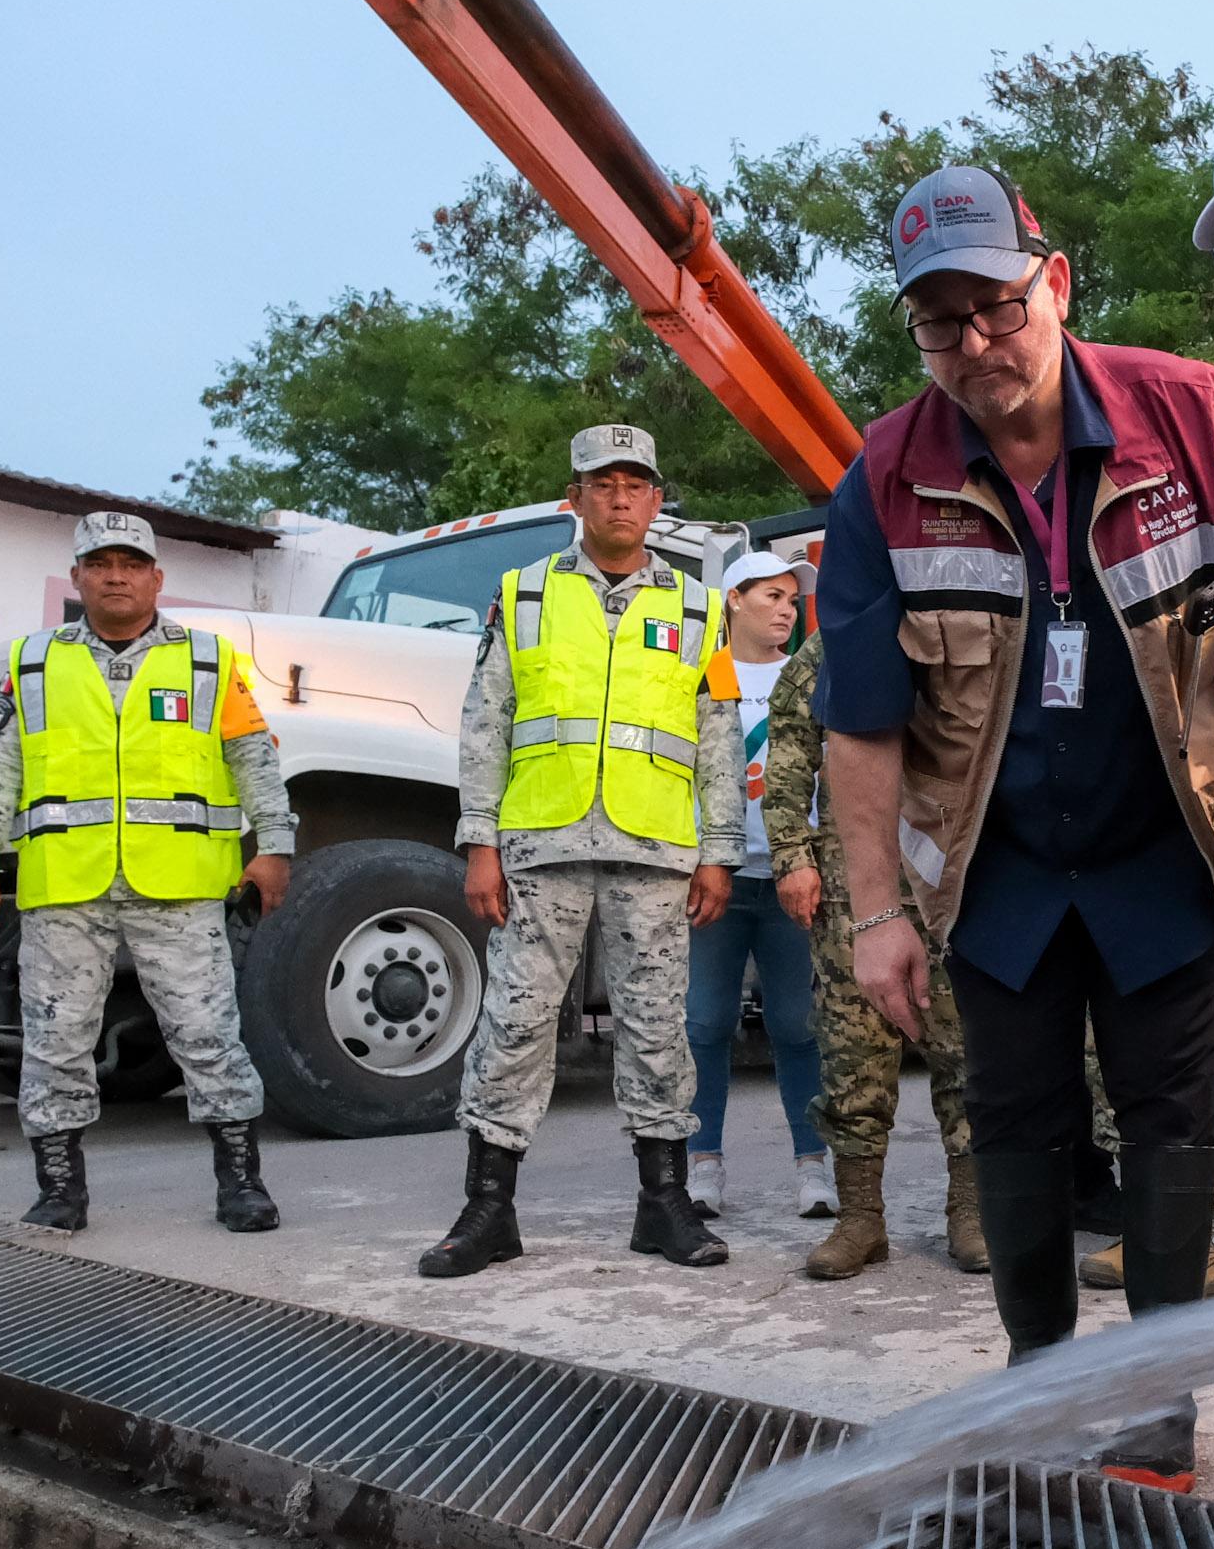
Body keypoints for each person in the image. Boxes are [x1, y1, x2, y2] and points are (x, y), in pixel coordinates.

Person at [815, 163, 1214, 1492]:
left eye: (998, 306)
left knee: (1171, 1121)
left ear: (1054, 280)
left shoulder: (1188, 416)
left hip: (1159, 848)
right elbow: (860, 718)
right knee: (1013, 1120)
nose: (976, 345)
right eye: (939, 322)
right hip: (997, 867)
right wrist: (880, 914)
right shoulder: (886, 476)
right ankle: (1037, 1368)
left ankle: (1155, 1393)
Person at [417, 427, 744, 1279]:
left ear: (658, 500)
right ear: (577, 498)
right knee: (516, 1023)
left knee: (657, 1027)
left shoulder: (702, 607)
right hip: (542, 841)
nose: (622, 497)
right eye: (604, 483)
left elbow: (717, 735)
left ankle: (663, 1205)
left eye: (638, 482)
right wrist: (478, 841)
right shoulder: (522, 595)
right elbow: (485, 722)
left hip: (655, 845)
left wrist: (720, 851)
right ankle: (489, 1207)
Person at [0, 515, 291, 1233]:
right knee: (55, 1039)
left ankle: (241, 1182)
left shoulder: (208, 661)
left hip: (180, 883)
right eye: (99, 562)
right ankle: (59, 1190)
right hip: (65, 886)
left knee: (206, 1033)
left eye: (130, 563)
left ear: (156, 578)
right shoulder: (31, 663)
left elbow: (255, 758)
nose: (115, 575)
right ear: (76, 577)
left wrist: (275, 844)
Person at [763, 626, 982, 1279]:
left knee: (965, 1048)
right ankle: (861, 1217)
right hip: (850, 883)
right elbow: (789, 753)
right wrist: (791, 856)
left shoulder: (953, 629)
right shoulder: (829, 647)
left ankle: (970, 1211)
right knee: (852, 1054)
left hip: (950, 877)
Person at [683, 552, 832, 1219]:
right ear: (733, 599)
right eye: (772, 594)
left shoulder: (809, 675)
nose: (787, 608)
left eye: (793, 599)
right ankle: (702, 1165)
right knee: (705, 1022)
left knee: (798, 1025)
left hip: (790, 881)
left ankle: (814, 1169)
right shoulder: (700, 675)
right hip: (716, 879)